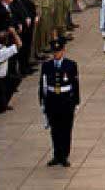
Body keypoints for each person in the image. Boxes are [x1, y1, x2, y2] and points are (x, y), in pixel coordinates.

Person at [39, 39, 80, 167]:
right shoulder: (47, 65)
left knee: (66, 129)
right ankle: (56, 154)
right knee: (54, 129)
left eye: (58, 51)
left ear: (63, 51)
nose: (56, 54)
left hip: (66, 100)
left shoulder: (70, 65)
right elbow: (43, 84)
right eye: (54, 52)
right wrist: (42, 100)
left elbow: (75, 84)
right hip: (52, 100)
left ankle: (64, 155)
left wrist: (76, 101)